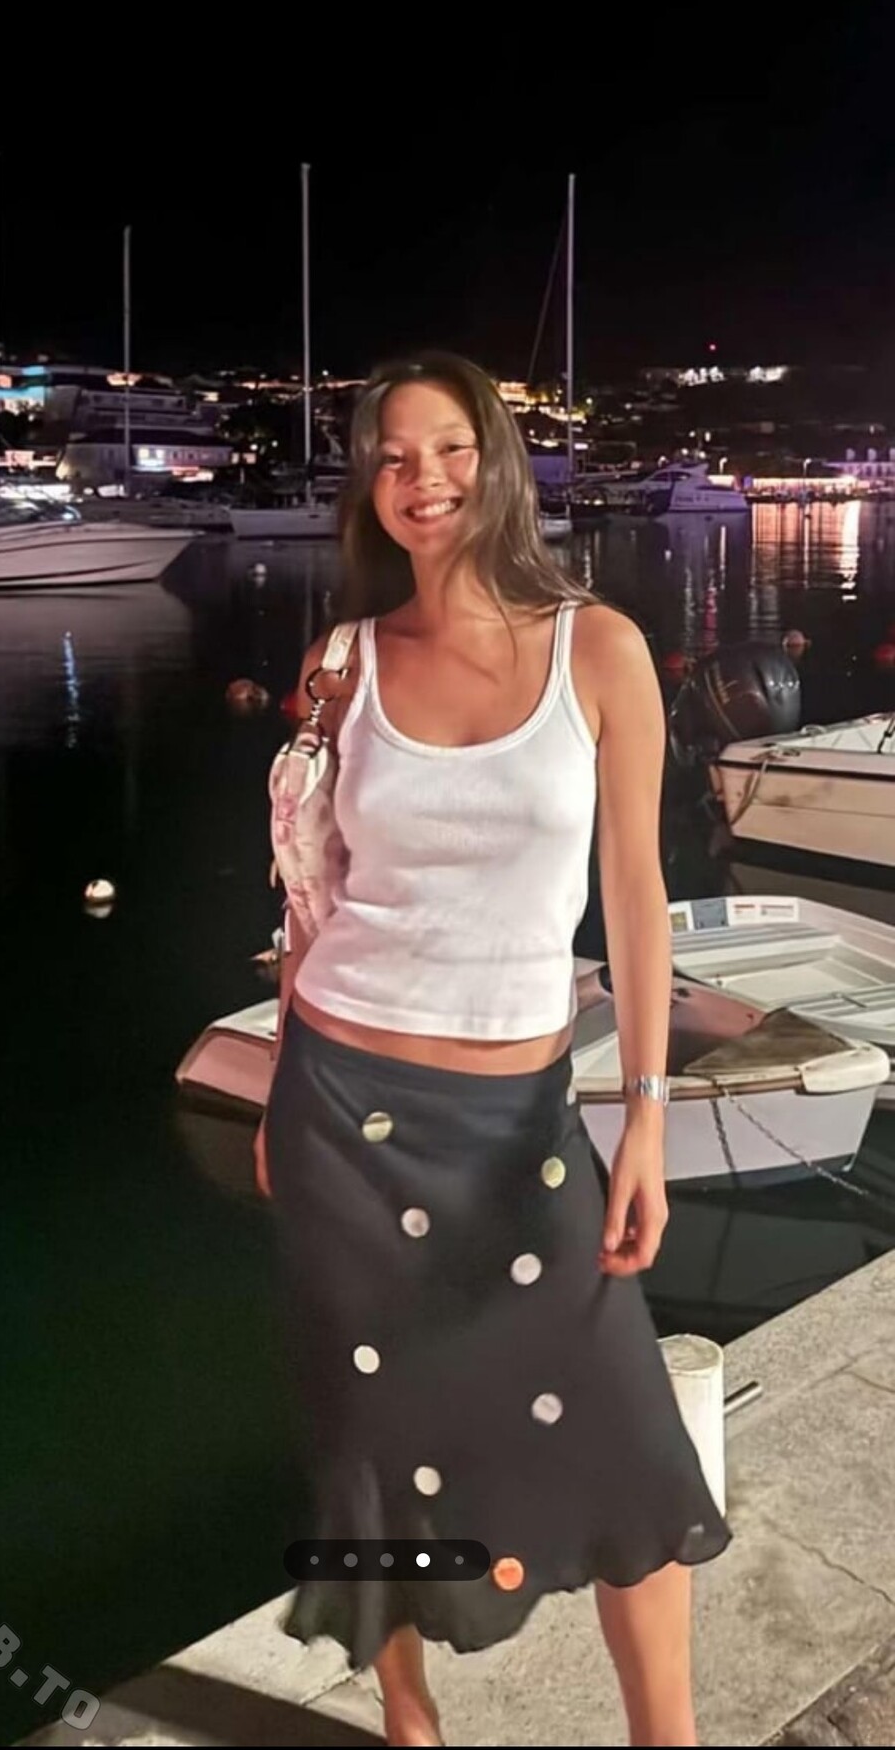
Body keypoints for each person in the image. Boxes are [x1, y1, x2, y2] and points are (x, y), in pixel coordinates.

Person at [256, 354, 730, 1748]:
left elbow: (633, 891)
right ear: (367, 484)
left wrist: (644, 1116)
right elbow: (309, 896)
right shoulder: (343, 662)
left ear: (499, 460)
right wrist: (280, 1093)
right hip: (340, 1105)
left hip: (521, 1119)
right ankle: (409, 1721)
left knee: (629, 1440)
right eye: (392, 457)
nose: (425, 480)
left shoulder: (598, 648)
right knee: (372, 1432)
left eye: (452, 448)